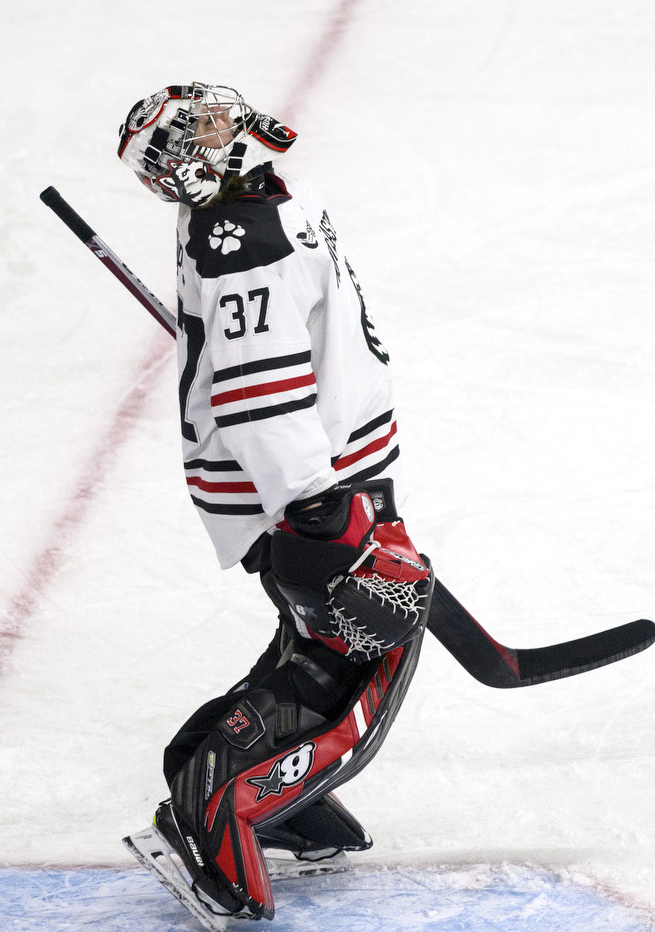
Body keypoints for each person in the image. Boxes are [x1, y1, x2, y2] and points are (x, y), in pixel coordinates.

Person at [117, 83, 436, 926]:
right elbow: (260, 398)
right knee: (352, 655)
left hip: (337, 469)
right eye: (207, 125)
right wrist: (318, 514)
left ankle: (260, 792)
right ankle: (214, 799)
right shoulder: (240, 239)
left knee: (327, 647)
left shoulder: (264, 204)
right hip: (308, 486)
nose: (229, 121)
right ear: (196, 158)